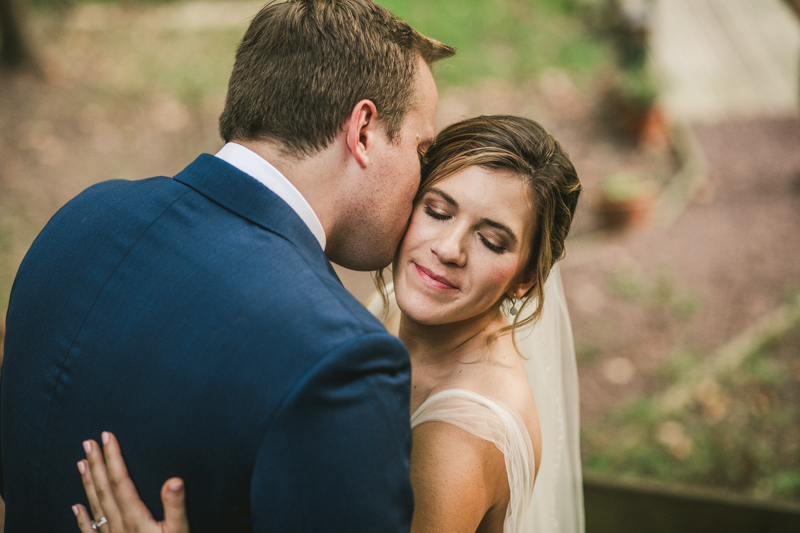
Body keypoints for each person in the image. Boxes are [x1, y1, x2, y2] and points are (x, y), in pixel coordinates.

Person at [0, 1, 453, 531]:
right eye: (422, 148)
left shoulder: (81, 220)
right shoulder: (342, 358)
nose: (423, 178)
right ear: (364, 130)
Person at [72, 115, 585, 533]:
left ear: (524, 281)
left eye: (492, 241)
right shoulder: (392, 303)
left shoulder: (459, 437)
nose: (449, 250)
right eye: (437, 210)